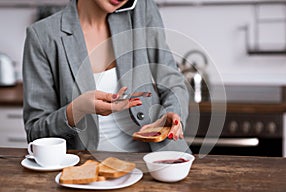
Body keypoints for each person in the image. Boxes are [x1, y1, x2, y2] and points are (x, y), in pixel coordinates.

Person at [22, 0, 191, 153]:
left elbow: (172, 82)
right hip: (89, 172)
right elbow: (36, 133)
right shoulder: (42, 36)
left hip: (157, 163)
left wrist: (172, 114)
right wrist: (76, 110)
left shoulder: (142, 11)